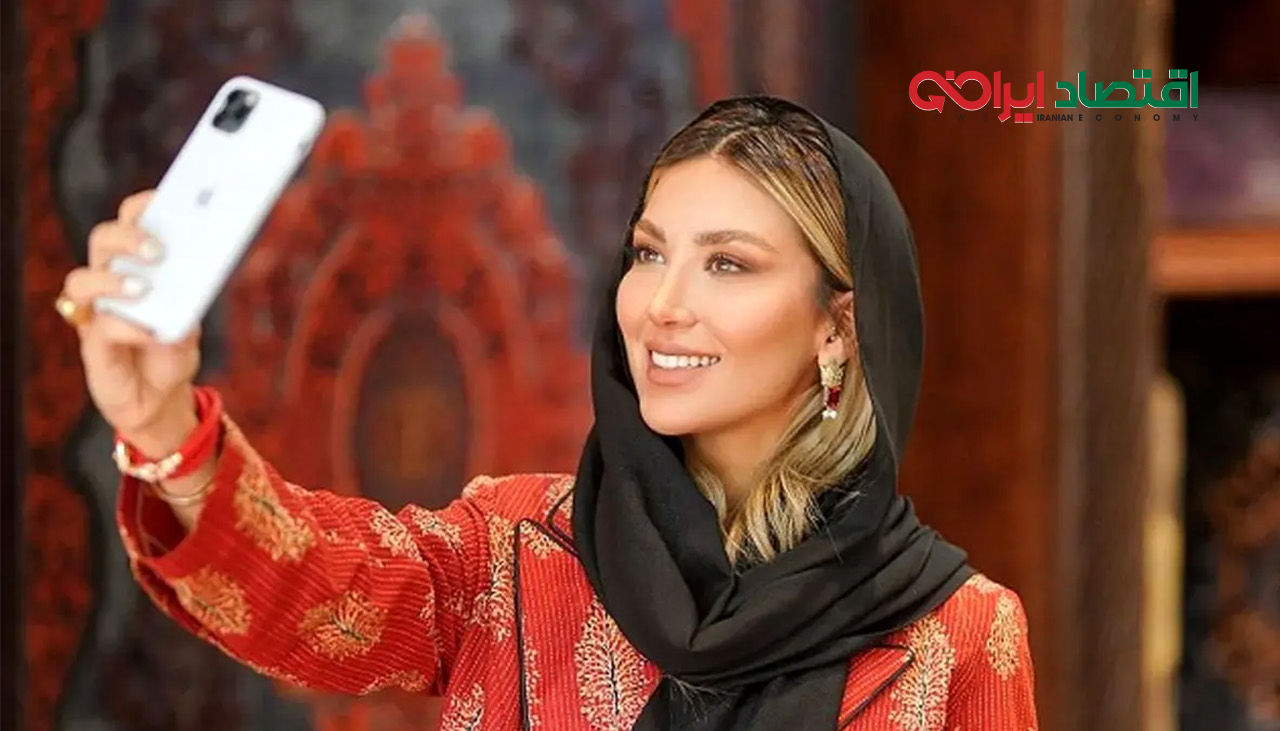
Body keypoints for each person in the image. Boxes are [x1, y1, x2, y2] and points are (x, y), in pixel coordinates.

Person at [60, 96, 1039, 730]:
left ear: (838, 326)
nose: (661, 303)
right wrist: (163, 428)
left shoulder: (958, 633)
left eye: (727, 263)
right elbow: (313, 589)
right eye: (649, 253)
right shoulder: (516, 550)